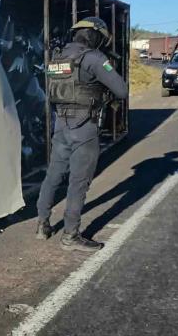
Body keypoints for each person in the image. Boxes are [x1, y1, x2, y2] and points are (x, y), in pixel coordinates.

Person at [36, 17, 128, 251]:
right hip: (85, 125)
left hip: (61, 124)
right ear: (95, 36)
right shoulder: (95, 58)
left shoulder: (57, 56)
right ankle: (70, 236)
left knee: (53, 175)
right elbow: (122, 90)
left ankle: (42, 225)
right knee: (78, 182)